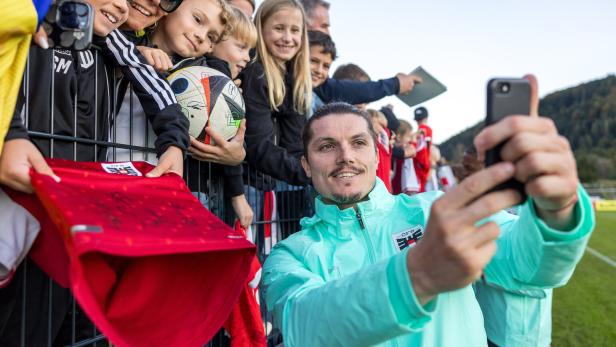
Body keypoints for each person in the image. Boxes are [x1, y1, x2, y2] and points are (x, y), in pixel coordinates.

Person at [261, 97, 594, 346]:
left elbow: (526, 268)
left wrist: (559, 211)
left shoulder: (437, 209)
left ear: (377, 155)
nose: (345, 156)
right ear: (306, 165)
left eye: (358, 143)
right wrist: (416, 276)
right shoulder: (289, 254)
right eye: (327, 146)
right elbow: (305, 327)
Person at [391, 119, 419, 195]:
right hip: (395, 192)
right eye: (408, 136)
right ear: (399, 137)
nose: (410, 140)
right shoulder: (394, 152)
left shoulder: (403, 149)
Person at [413, 106, 432, 192]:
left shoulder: (424, 129)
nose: (419, 122)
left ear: (426, 118)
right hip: (422, 163)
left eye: (421, 119)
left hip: (421, 164)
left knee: (420, 191)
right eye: (418, 120)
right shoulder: (423, 129)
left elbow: (426, 149)